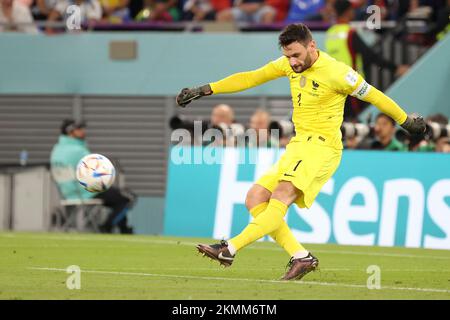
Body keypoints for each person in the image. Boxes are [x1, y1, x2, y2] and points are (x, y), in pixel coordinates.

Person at [175, 23, 425, 280]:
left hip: (322, 148)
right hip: (299, 145)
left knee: (280, 197)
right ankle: (301, 257)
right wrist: (206, 89)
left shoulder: (338, 73)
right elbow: (250, 77)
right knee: (255, 197)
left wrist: (405, 120)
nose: (292, 62)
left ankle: (229, 248)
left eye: (296, 55)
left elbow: (375, 96)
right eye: (287, 56)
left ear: (311, 46)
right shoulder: (288, 64)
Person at [325, 0, 410, 120]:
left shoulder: (330, 33)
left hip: (336, 86)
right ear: (348, 12)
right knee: (358, 121)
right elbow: (370, 55)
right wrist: (396, 68)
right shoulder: (350, 33)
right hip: (352, 85)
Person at [50, 119, 134, 234]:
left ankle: (119, 228)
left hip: (67, 193)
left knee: (116, 196)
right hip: (85, 192)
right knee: (126, 199)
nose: (83, 131)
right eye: (79, 129)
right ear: (70, 132)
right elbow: (96, 170)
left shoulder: (56, 150)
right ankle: (108, 227)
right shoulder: (78, 150)